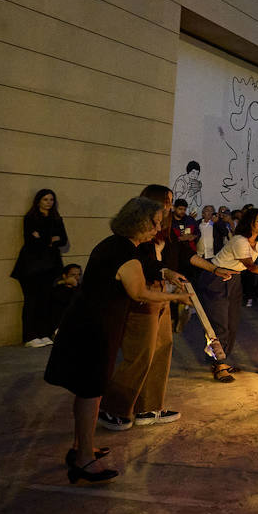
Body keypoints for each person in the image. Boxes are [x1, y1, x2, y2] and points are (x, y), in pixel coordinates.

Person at [44, 197, 194, 484]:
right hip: (95, 327)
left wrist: (165, 273)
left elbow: (145, 267)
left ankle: (81, 447)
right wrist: (176, 298)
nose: (158, 229)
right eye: (155, 223)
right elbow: (139, 292)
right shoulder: (123, 251)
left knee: (87, 389)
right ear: (140, 222)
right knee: (91, 390)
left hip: (91, 322)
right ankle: (84, 461)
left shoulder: (117, 244)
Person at [100, 185, 232, 429]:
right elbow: (142, 274)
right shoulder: (132, 240)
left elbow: (182, 253)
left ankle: (149, 407)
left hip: (160, 293)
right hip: (143, 297)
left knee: (162, 349)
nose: (170, 207)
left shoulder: (166, 232)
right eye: (167, 202)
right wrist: (171, 287)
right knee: (139, 355)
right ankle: (114, 408)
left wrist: (213, 268)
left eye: (171, 202)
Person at [200, 207, 258, 381]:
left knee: (232, 323)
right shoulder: (240, 240)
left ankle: (222, 359)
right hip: (217, 278)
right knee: (220, 324)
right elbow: (251, 267)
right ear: (250, 222)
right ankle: (219, 364)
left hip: (235, 280)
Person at [11, 189, 68, 347]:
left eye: (51, 199)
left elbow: (62, 240)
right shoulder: (31, 218)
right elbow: (31, 241)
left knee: (45, 301)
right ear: (38, 201)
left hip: (50, 266)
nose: (49, 202)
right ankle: (30, 336)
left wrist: (43, 238)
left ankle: (43, 333)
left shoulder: (56, 218)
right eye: (45, 199)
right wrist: (50, 240)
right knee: (32, 301)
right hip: (31, 267)